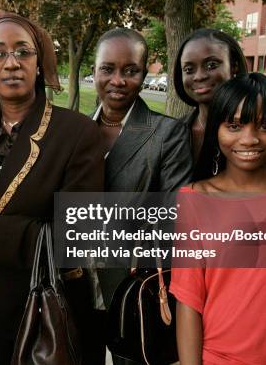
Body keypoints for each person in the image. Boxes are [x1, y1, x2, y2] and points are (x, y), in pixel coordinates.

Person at [0, 10, 105, 365]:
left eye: (23, 52)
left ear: (39, 63)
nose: (11, 63)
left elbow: (79, 235)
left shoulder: (77, 133)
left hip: (41, 311)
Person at [171, 73, 266, 364]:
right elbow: (188, 302)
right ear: (216, 129)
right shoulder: (194, 198)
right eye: (234, 125)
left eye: (265, 125)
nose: (250, 139)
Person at [91, 28, 193, 364]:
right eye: (107, 69)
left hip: (133, 288)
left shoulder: (167, 134)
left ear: (144, 72)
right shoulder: (74, 131)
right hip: (76, 284)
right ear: (93, 71)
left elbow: (174, 218)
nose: (117, 80)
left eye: (130, 70)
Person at [173, 28, 248, 163]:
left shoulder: (264, 128)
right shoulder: (172, 133)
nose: (199, 76)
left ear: (234, 67)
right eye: (189, 69)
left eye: (211, 65)